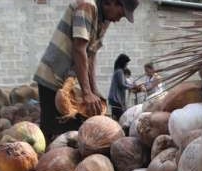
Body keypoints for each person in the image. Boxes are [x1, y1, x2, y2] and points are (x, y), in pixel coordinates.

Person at [33, 0, 139, 142]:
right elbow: (79, 49)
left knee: (79, 130)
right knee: (51, 130)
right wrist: (87, 92)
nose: (119, 20)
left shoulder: (105, 19)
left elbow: (91, 54)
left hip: (69, 82)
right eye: (121, 14)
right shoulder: (87, 6)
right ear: (113, 3)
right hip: (53, 76)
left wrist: (94, 90)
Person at [108, 53, 135, 120]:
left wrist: (132, 85)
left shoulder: (118, 71)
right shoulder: (119, 71)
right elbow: (122, 85)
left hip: (115, 98)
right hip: (116, 98)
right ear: (123, 63)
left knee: (116, 117)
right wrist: (131, 87)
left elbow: (125, 83)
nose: (127, 65)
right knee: (120, 118)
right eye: (126, 63)